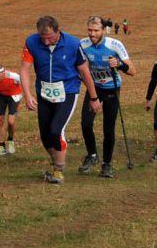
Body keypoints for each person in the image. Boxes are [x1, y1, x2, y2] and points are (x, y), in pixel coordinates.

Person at [20, 15, 98, 185]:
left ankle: (59, 170)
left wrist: (93, 97)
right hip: (44, 93)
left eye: (49, 38)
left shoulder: (72, 44)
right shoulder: (32, 42)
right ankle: (57, 161)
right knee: (46, 136)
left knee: (56, 130)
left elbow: (85, 72)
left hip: (68, 92)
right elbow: (25, 69)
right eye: (43, 39)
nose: (46, 42)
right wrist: (27, 95)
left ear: (58, 31)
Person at [78, 15, 136, 178]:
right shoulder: (82, 44)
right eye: (89, 30)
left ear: (104, 30)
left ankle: (107, 164)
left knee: (108, 128)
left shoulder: (115, 45)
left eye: (96, 30)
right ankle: (92, 155)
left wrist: (119, 64)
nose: (92, 34)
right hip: (94, 88)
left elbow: (133, 71)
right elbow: (81, 68)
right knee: (86, 123)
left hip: (112, 88)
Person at [0, 64, 23, 155]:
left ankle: (11, 140)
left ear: (3, 72)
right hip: (1, 96)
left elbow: (24, 84)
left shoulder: (14, 76)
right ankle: (2, 146)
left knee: (11, 121)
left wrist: (20, 101)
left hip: (14, 96)